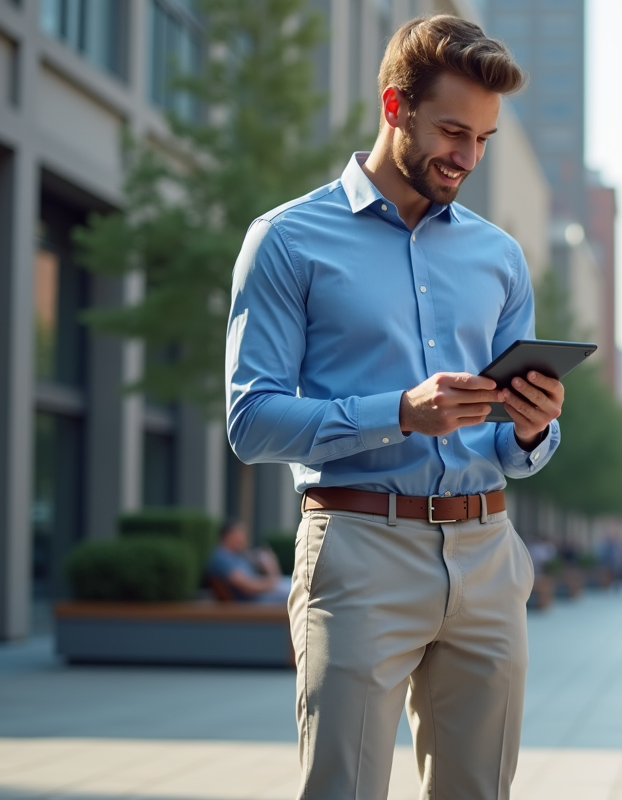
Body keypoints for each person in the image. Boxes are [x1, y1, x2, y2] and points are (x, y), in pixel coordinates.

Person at [225, 16, 564, 799]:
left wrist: (534, 424)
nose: (466, 157)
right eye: (452, 131)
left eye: (482, 139)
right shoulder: (286, 241)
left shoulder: (499, 257)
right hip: (357, 550)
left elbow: (520, 444)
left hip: (485, 551)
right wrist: (399, 413)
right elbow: (250, 420)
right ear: (395, 107)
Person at [206, 520, 292, 603]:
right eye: (240, 534)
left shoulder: (237, 555)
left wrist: (268, 565)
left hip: (262, 595)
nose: (244, 539)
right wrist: (272, 577)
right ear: (229, 535)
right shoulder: (222, 558)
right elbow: (248, 587)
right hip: (252, 602)